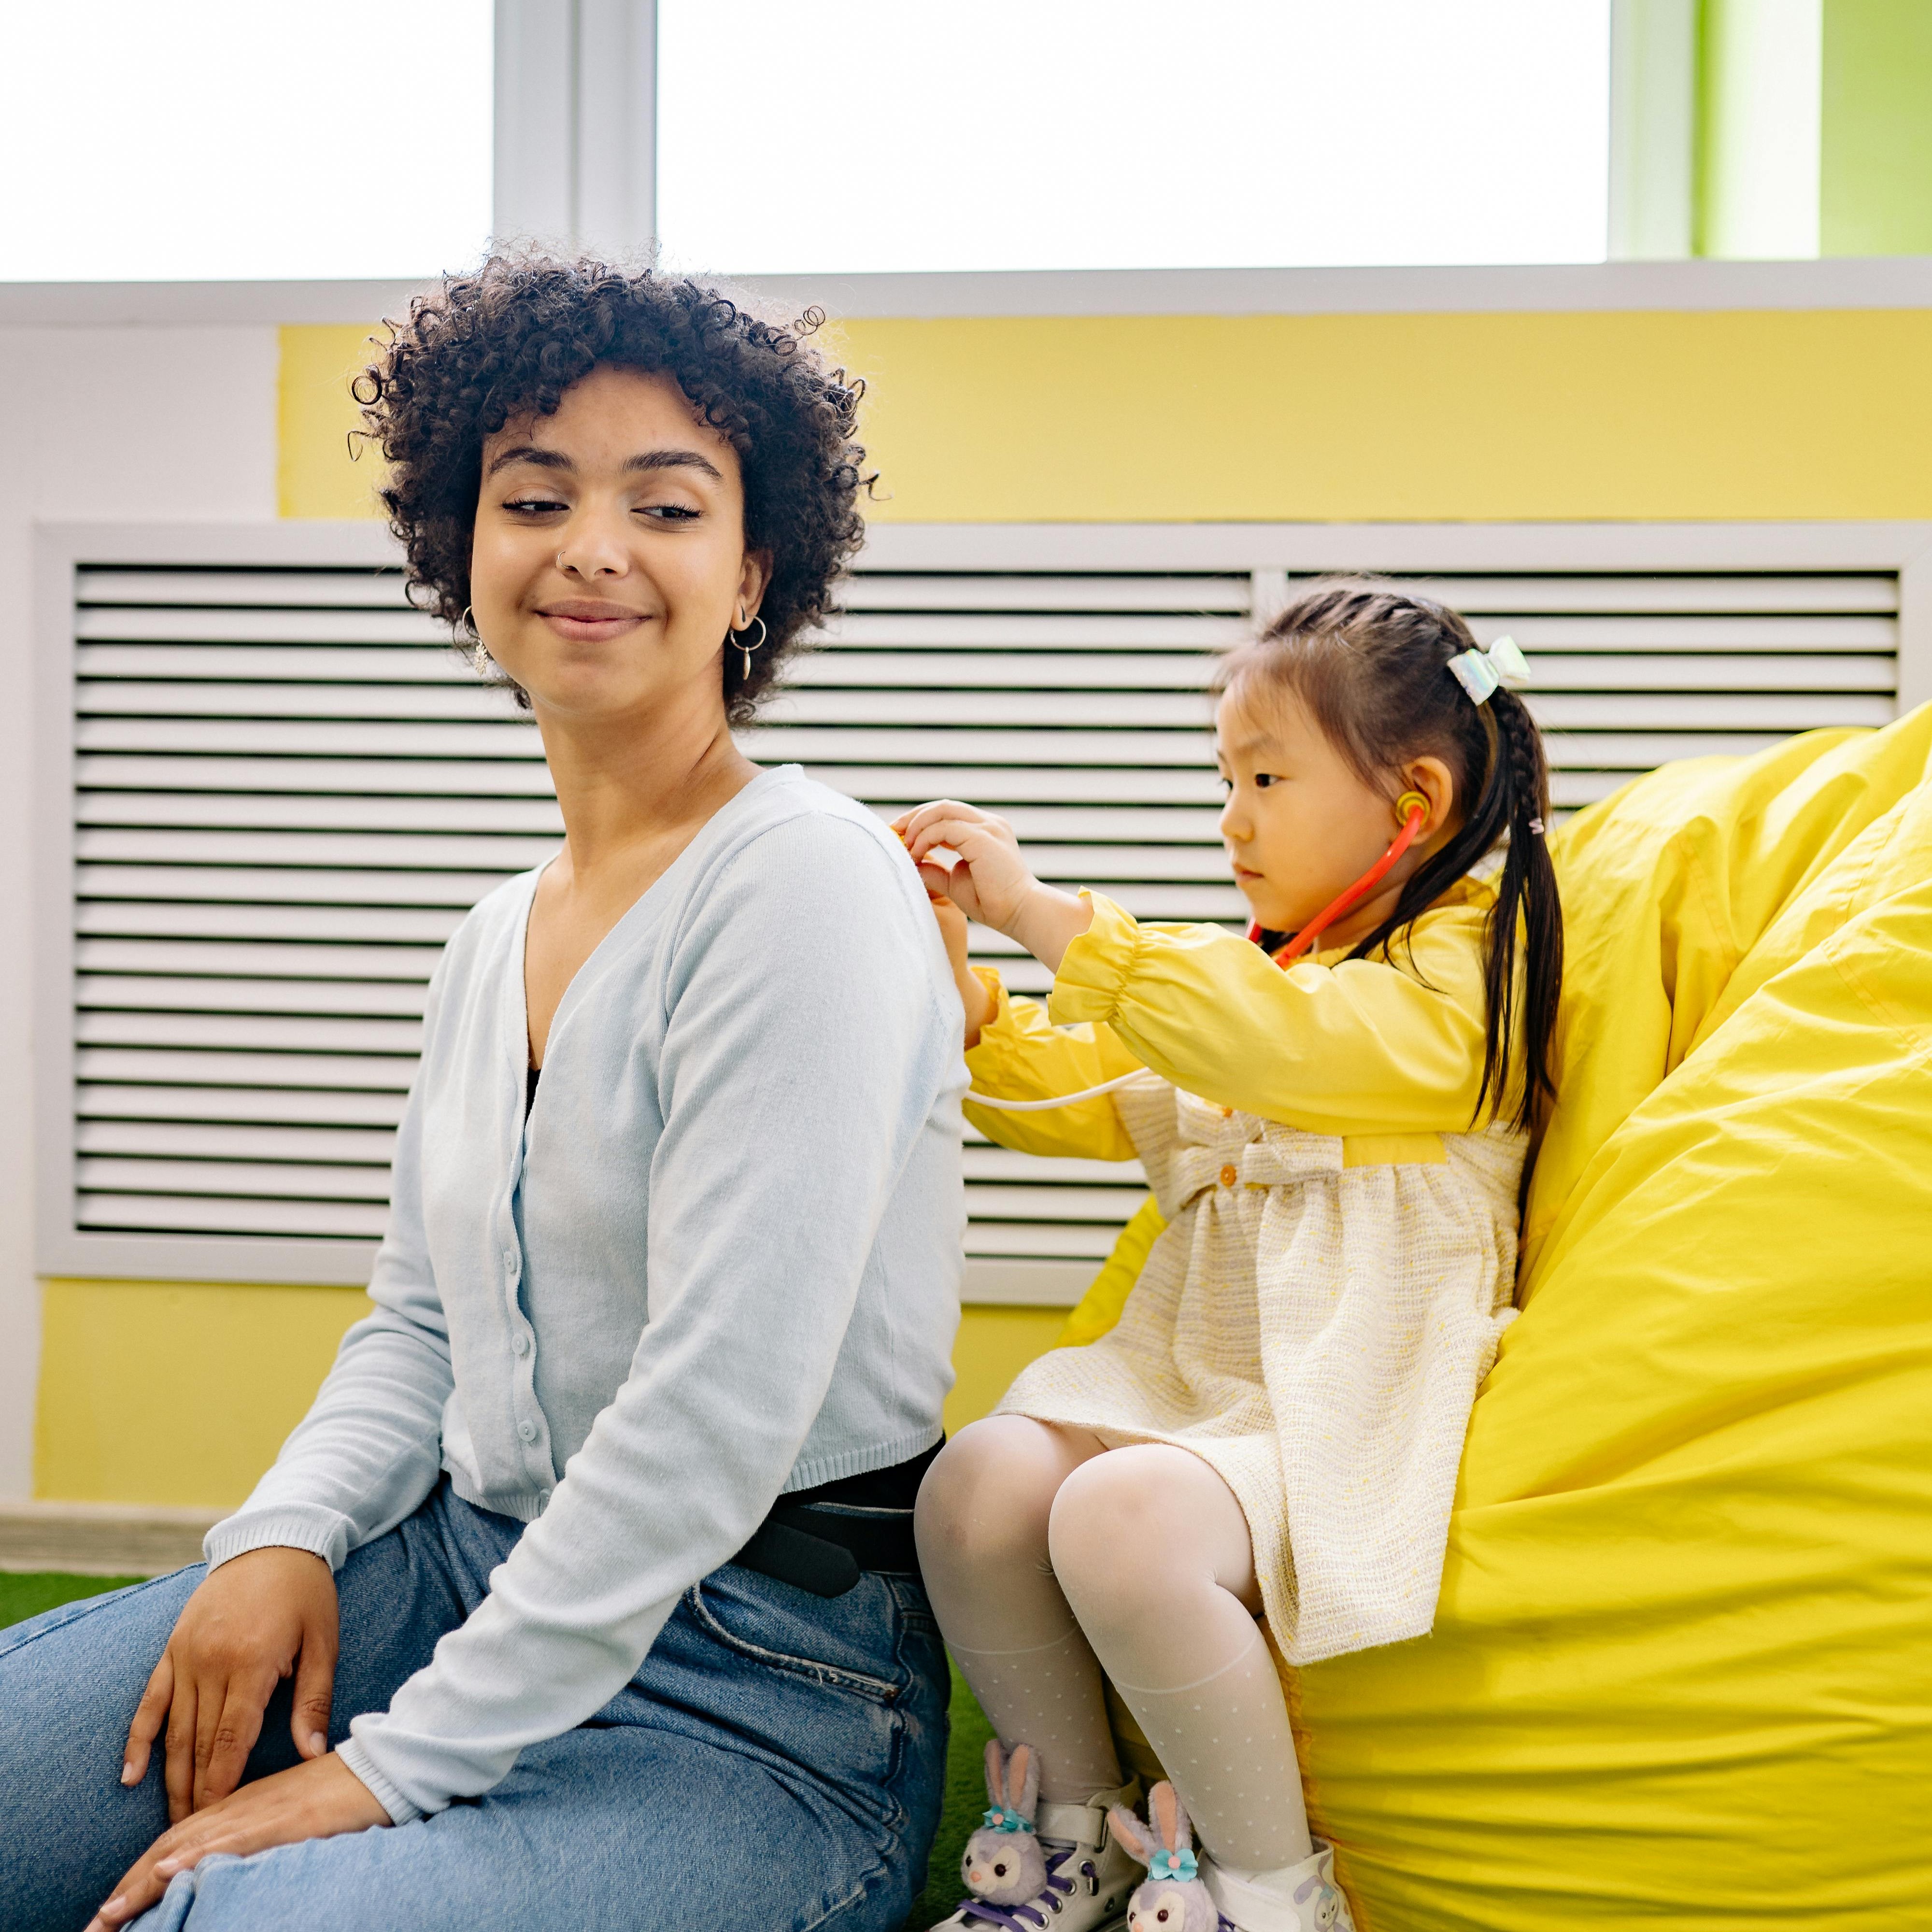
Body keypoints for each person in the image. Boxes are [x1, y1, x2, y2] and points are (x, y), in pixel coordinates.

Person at [0, 257, 966, 1932]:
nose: (591, 545)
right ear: (467, 552)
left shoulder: (805, 881)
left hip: (756, 1690)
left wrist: (383, 1770)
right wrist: (280, 1540)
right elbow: (419, 1321)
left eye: (665, 505)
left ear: (753, 572)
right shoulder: (493, 932)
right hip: (452, 1574)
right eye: (535, 497)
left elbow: (712, 1414)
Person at [899, 584, 1565, 1932]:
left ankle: (1269, 1894)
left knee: (1119, 1520)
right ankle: (1069, 1841)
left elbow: (1297, 1043)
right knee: (975, 1482)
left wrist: (1052, 917)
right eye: (1226, 778)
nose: (1232, 818)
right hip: (1201, 1386)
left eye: (1266, 777)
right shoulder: (1265, 974)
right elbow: (1089, 1090)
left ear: (1416, 803)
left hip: (1348, 1394)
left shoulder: (1462, 961)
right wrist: (964, 981)